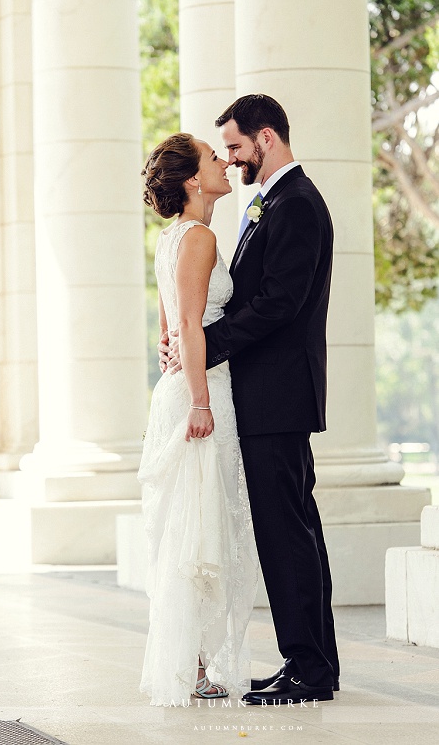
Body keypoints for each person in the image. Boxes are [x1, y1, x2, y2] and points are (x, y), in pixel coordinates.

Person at [165, 94, 339, 704]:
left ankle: (309, 668)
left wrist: (206, 344)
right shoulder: (273, 203)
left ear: (266, 138)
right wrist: (193, 344)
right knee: (291, 529)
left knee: (285, 533)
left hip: (279, 395)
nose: (233, 160)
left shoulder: (297, 204)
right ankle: (312, 660)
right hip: (266, 394)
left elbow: (278, 305)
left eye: (236, 147)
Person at [138, 133, 258, 706]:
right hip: (199, 394)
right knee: (202, 526)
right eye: (214, 158)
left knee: (192, 526)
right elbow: (187, 325)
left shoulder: (171, 238)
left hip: (181, 387)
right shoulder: (202, 236)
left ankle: (195, 661)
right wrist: (201, 402)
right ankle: (201, 665)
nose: (224, 163)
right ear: (191, 180)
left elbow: (166, 327)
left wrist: (172, 359)